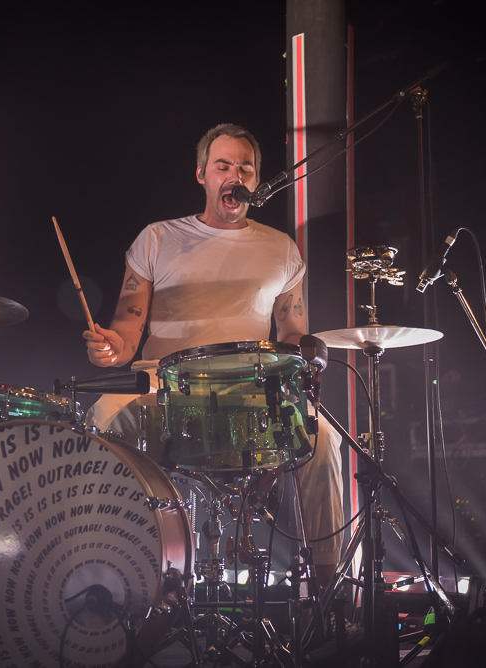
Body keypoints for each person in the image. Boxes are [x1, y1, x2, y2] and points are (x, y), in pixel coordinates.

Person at [82, 123, 343, 584]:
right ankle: (104, 569)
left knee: (323, 438)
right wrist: (111, 348)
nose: (235, 174)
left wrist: (307, 358)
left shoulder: (281, 249)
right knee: (104, 416)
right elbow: (126, 330)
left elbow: (293, 332)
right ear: (202, 174)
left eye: (245, 167)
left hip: (249, 390)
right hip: (165, 387)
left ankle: (329, 591)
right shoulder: (157, 239)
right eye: (223, 166)